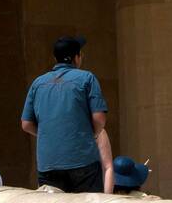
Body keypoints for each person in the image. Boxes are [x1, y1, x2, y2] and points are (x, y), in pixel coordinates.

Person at [21, 35, 113, 194]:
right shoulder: (87, 78)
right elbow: (99, 118)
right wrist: (87, 135)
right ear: (76, 58)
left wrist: (47, 134)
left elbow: (26, 124)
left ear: (55, 58)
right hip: (82, 160)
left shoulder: (38, 83)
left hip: (48, 163)